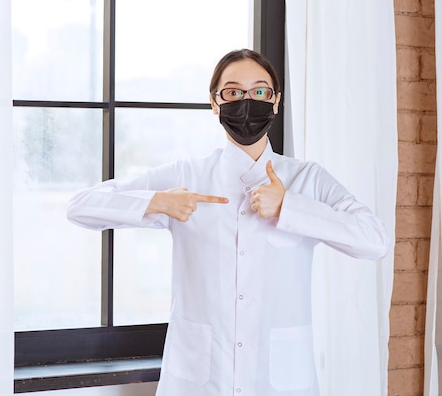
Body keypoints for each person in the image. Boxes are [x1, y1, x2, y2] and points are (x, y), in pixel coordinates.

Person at [66, 48, 389, 396]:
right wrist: (159, 201)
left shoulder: (307, 179)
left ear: (276, 102)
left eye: (260, 92)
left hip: (280, 382)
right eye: (234, 92)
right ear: (215, 102)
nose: (247, 101)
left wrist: (289, 208)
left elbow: (374, 241)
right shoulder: (187, 176)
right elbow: (81, 206)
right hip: (199, 381)